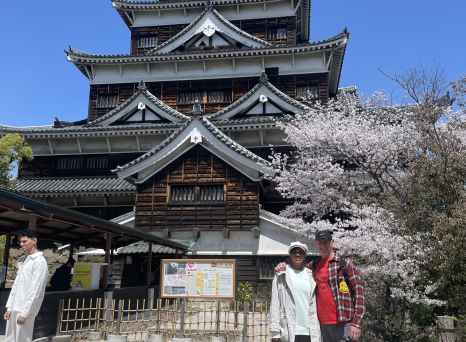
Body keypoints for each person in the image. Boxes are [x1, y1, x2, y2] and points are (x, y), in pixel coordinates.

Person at [275, 230, 365, 342]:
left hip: (343, 323)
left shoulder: (344, 264)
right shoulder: (314, 265)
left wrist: (356, 323)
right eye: (320, 243)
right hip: (320, 325)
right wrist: (285, 264)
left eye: (326, 243)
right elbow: (297, 266)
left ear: (332, 243)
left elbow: (359, 293)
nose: (323, 246)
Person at [270, 241, 321, 342]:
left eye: (301, 252)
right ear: (290, 254)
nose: (297, 254)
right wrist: (275, 332)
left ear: (305, 255)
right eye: (294, 252)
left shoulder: (311, 275)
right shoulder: (282, 274)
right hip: (289, 329)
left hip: (310, 330)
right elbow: (275, 303)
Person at [4, 230, 49, 342]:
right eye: (21, 242)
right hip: (15, 306)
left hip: (24, 309)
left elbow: (36, 290)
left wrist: (26, 313)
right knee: (10, 338)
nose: (21, 244)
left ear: (34, 241)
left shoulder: (39, 262)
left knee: (22, 339)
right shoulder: (26, 260)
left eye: (24, 241)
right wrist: (9, 307)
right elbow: (16, 286)